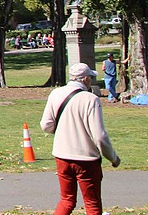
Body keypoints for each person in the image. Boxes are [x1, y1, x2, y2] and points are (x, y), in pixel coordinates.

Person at [40, 63, 120, 215]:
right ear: (85, 79)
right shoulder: (90, 99)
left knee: (67, 200)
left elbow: (46, 125)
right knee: (92, 203)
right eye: (90, 78)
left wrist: (63, 131)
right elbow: (99, 136)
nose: (91, 81)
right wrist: (113, 158)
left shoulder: (56, 93)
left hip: (62, 155)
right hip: (86, 158)